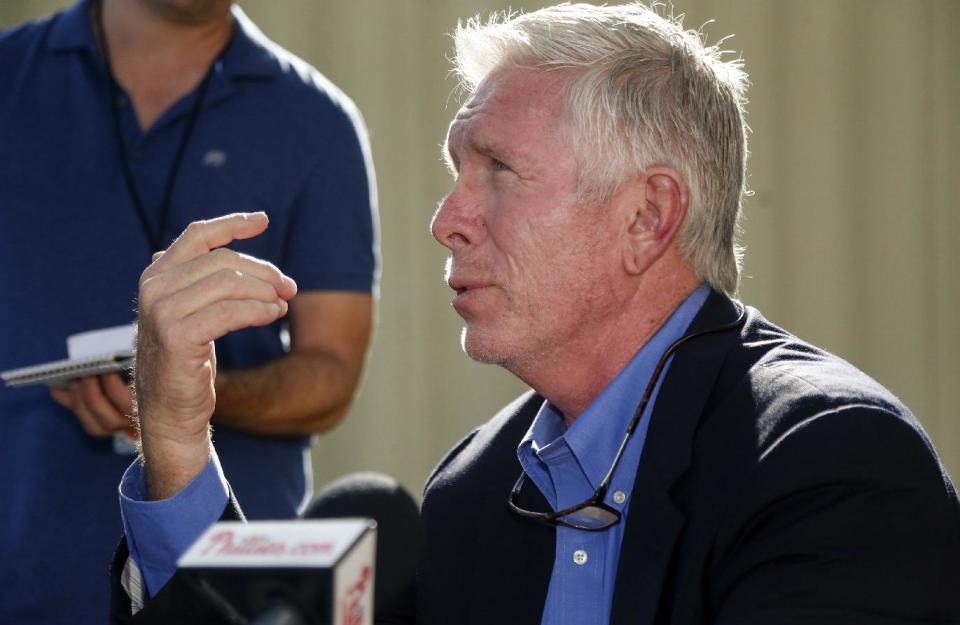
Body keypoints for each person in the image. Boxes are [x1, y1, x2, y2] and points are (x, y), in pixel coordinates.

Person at [110, 3, 959, 624]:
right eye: (456, 169)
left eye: (499, 170)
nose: (447, 218)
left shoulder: (827, 462)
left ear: (645, 217)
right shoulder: (473, 493)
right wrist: (179, 441)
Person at [0, 0, 377, 622]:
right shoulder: (12, 76)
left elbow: (331, 378)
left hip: (227, 592)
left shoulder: (316, 119)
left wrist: (180, 401)